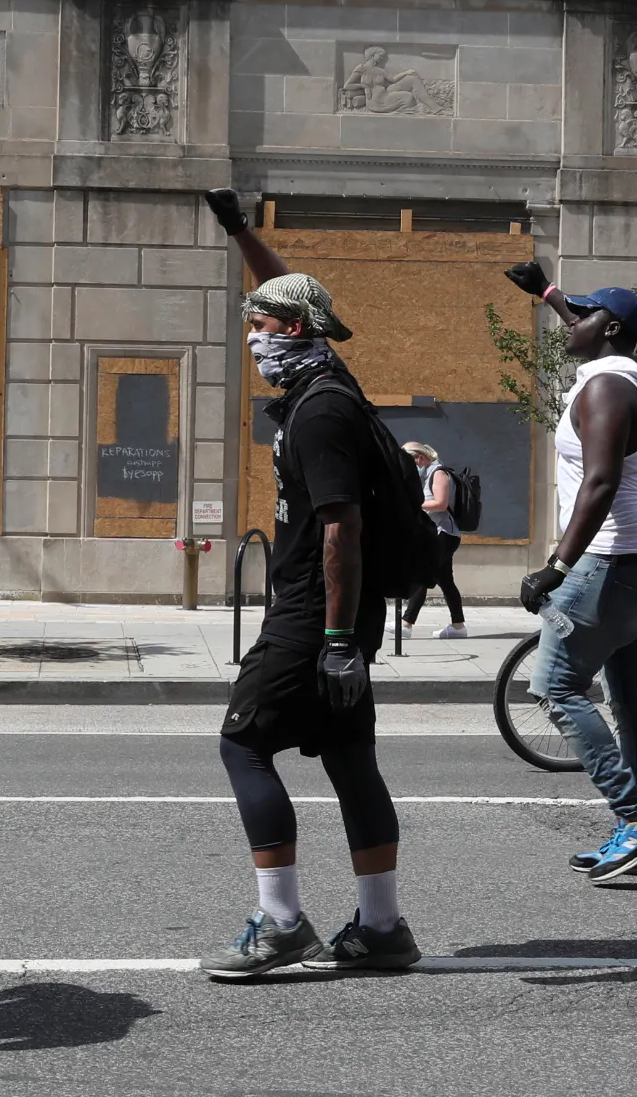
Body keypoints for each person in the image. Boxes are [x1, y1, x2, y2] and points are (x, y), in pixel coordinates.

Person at [199, 188, 419, 979]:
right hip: (343, 619)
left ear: (291, 333)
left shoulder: (320, 412)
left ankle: (282, 921)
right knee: (350, 761)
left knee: (243, 743)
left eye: (258, 327)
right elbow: (284, 287)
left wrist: (330, 640)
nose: (252, 338)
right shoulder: (332, 380)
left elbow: (341, 529)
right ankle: (384, 927)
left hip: (312, 615)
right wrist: (240, 231)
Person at [504, 259, 637, 884]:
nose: (570, 321)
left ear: (609, 330)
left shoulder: (605, 387)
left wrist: (557, 564)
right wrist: (548, 291)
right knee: (631, 696)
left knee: (556, 688)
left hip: (612, 561)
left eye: (583, 315)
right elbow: (595, 327)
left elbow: (601, 481)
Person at [398, 442, 466, 639]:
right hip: (439, 533)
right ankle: (459, 626)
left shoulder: (438, 473)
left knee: (422, 573)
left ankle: (406, 624)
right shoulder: (425, 474)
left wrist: (413, 505)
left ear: (420, 457)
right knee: (446, 580)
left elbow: (441, 503)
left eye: (409, 461)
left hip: (443, 534)